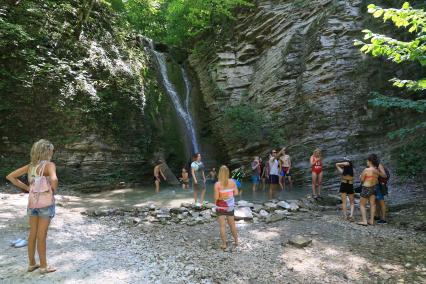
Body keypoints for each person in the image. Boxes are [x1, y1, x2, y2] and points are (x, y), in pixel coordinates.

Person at [6, 139, 58, 274]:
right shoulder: (49, 165)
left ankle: (31, 264)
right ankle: (44, 266)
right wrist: (53, 189)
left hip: (32, 204)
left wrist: (28, 188)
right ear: (47, 152)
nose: (52, 153)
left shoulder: (30, 166)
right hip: (46, 204)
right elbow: (54, 179)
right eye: (51, 151)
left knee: (32, 234)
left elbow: (10, 176)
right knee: (42, 235)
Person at [214, 165, 239, 250]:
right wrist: (229, 195)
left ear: (220, 173)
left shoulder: (217, 184)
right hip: (230, 206)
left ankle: (224, 244)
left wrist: (222, 196)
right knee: (232, 225)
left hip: (220, 206)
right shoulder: (232, 182)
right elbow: (236, 193)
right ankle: (236, 241)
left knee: (222, 226)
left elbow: (217, 198)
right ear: (228, 173)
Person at [358, 154, 380, 226]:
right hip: (374, 188)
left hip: (366, 188)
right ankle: (371, 221)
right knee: (372, 204)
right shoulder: (376, 170)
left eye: (367, 161)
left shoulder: (366, 170)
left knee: (362, 205)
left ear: (370, 161)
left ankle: (364, 221)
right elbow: (377, 180)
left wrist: (360, 176)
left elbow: (362, 180)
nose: (366, 162)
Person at [371, 154, 388, 224]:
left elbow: (384, 175)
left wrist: (376, 171)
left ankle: (383, 219)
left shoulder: (379, 165)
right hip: (374, 185)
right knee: (376, 201)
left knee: (381, 201)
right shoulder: (372, 166)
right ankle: (377, 215)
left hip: (379, 185)